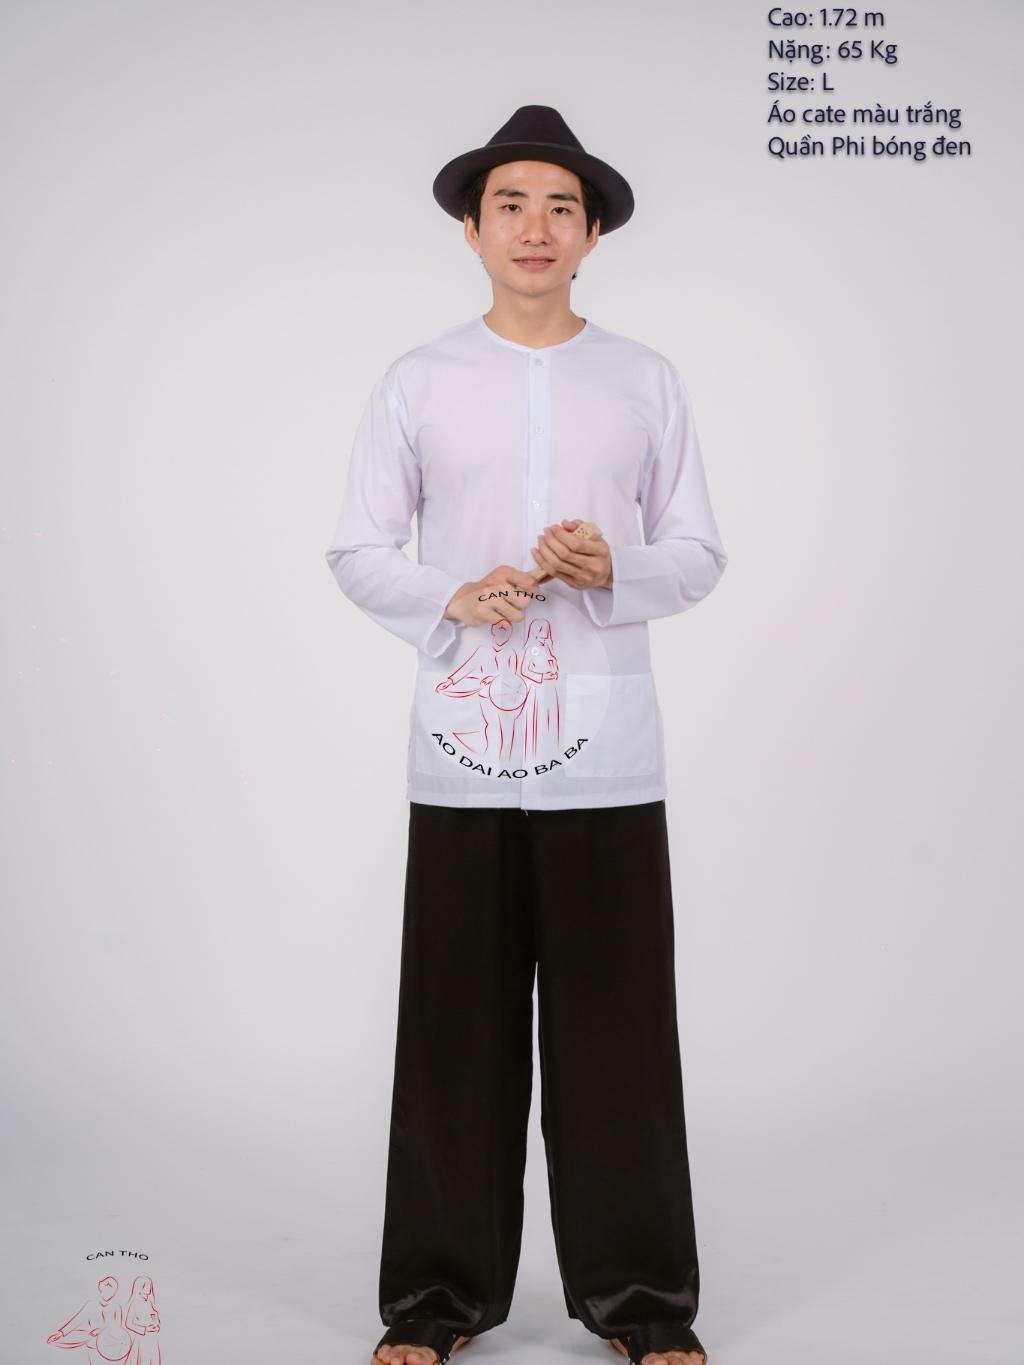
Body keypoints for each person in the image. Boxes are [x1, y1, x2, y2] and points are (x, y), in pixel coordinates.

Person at [324, 104, 728, 1365]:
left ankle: (641, 1301)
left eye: (561, 207)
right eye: (511, 204)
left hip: (607, 754)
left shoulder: (646, 379)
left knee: (619, 1039)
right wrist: (452, 595)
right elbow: (357, 548)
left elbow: (698, 553)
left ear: (593, 233)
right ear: (472, 228)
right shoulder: (418, 380)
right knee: (456, 1032)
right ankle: (435, 1301)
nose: (535, 227)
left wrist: (614, 568)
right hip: (464, 749)